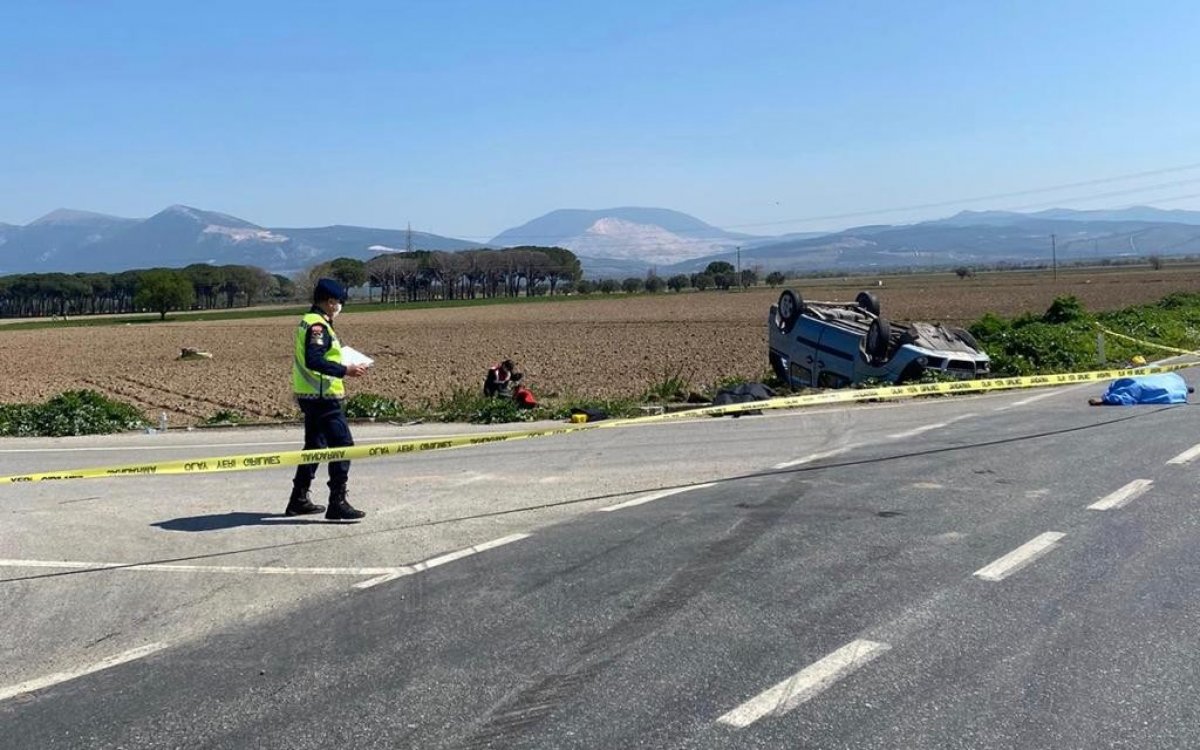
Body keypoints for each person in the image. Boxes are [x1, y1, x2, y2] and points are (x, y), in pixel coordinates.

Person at [285, 278, 368, 521]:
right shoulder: (317, 326)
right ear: (330, 302)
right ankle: (337, 502)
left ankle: (298, 499)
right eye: (339, 302)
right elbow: (315, 360)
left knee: (314, 447)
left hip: (310, 395)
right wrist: (346, 370)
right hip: (323, 397)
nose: (340, 307)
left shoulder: (310, 321)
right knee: (343, 445)